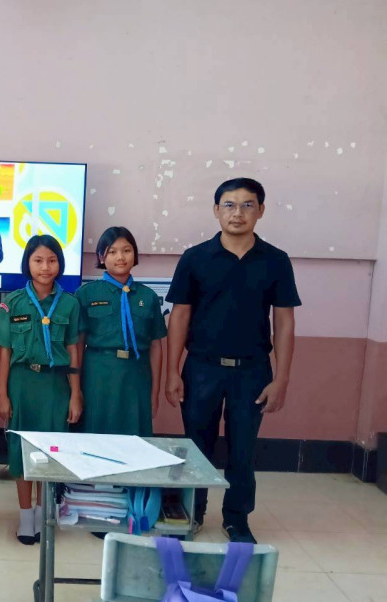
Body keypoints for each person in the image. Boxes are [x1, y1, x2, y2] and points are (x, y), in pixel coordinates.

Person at [165, 178, 301, 544]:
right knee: (196, 446)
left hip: (253, 372)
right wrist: (172, 372)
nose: (237, 213)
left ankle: (237, 519)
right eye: (229, 204)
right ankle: (192, 513)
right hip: (202, 368)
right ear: (216, 210)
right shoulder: (195, 258)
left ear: (261, 211)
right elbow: (179, 316)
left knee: (243, 450)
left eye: (247, 205)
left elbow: (284, 322)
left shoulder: (275, 260)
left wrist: (281, 379)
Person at [0, 234, 81, 545]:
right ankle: (25, 515)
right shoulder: (12, 302)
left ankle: (44, 513)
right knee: (21, 451)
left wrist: (76, 393)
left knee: (50, 450)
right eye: (38, 260)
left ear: (60, 264)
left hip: (55, 385)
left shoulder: (69, 303)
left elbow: (73, 350)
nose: (45, 267)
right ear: (27, 263)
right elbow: (3, 351)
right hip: (22, 383)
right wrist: (1, 393)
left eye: (52, 260)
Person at [76, 226, 167, 436]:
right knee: (96, 435)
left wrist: (154, 392)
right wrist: (76, 389)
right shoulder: (86, 294)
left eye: (126, 250)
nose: (120, 257)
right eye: (112, 251)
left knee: (134, 436)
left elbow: (156, 346)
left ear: (134, 254)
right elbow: (78, 344)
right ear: (101, 257)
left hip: (136, 376)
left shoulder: (148, 297)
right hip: (98, 375)